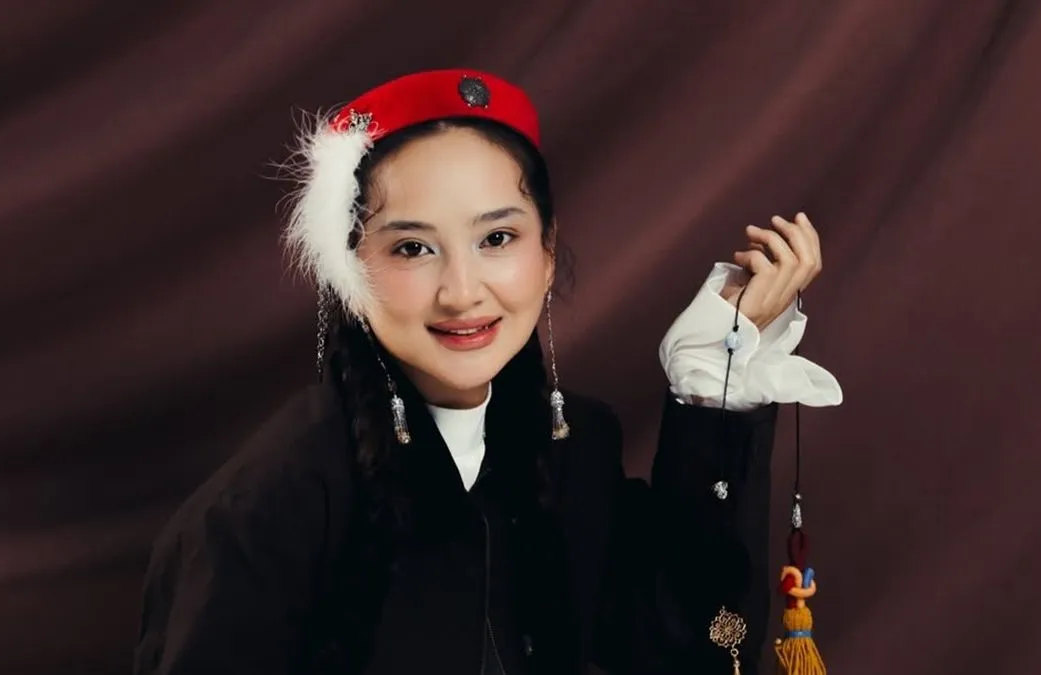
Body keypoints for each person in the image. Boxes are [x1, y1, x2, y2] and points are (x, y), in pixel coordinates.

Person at [132, 69, 842, 675]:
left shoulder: (573, 448)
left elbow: (699, 646)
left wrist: (712, 389)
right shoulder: (269, 505)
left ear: (547, 252)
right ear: (351, 272)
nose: (462, 292)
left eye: (497, 238)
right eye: (413, 248)